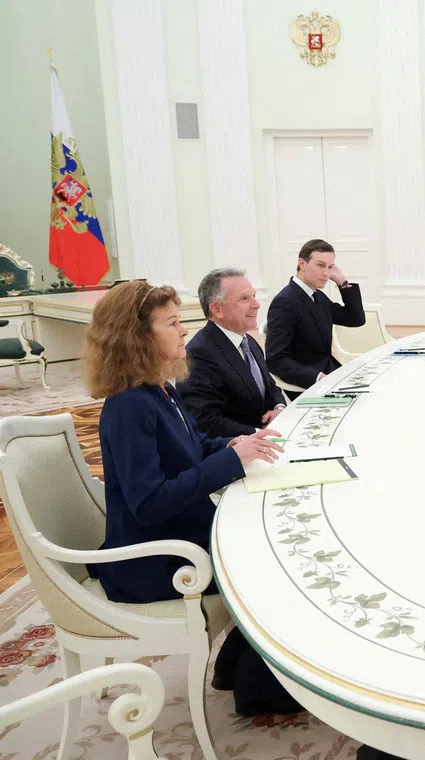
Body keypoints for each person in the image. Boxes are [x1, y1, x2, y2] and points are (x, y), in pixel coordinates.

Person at [83, 280, 300, 717]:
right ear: (139, 338)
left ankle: (236, 667)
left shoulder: (158, 390)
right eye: (173, 323)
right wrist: (230, 461)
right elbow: (149, 504)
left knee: (273, 545)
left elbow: (194, 444)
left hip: (178, 534)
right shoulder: (129, 407)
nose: (185, 331)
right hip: (150, 561)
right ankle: (258, 687)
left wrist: (239, 444)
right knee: (276, 560)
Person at [180, 268, 287, 438]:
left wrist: (278, 408)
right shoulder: (199, 354)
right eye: (245, 298)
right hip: (236, 449)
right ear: (217, 309)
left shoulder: (248, 341)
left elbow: (270, 387)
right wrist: (260, 433)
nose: (256, 304)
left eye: (254, 296)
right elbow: (206, 421)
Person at [266, 239, 366, 395]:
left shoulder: (317, 296)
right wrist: (318, 378)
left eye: (330, 267)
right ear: (302, 263)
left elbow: (355, 319)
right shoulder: (284, 302)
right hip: (308, 384)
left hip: (330, 373)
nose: (326, 273)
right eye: (320, 265)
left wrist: (342, 282)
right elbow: (276, 360)